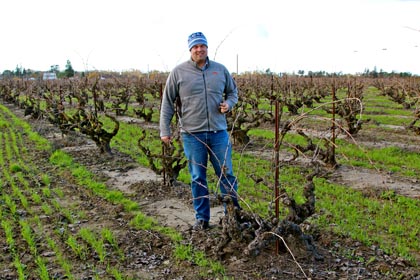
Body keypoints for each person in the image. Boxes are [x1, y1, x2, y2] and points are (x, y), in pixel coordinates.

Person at [159, 32, 241, 230]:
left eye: (202, 46)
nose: (199, 49)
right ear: (190, 49)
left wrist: (229, 104)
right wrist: (164, 129)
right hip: (192, 134)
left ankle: (234, 216)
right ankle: (202, 218)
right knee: (198, 177)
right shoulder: (178, 73)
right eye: (195, 46)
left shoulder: (220, 70)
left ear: (207, 47)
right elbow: (167, 102)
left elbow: (233, 93)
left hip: (218, 132)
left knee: (227, 173)